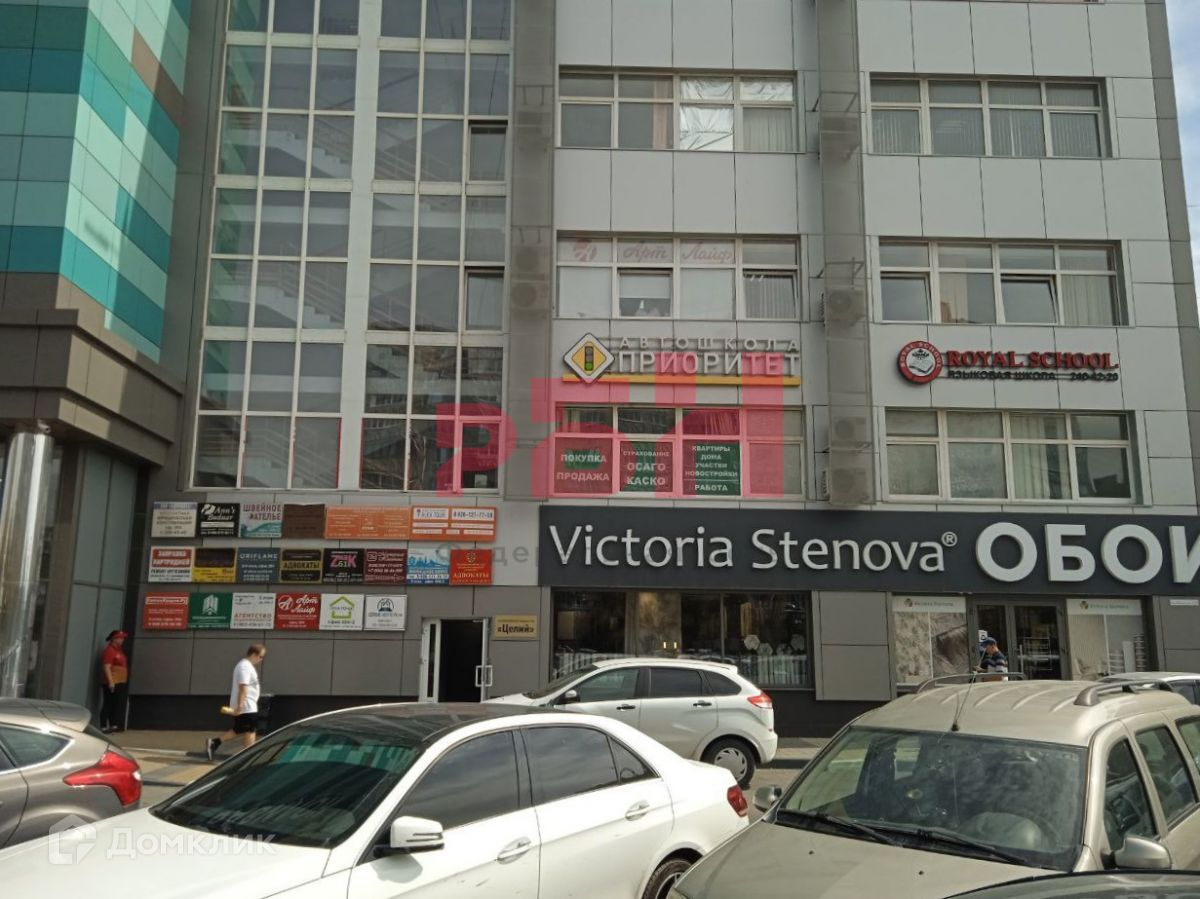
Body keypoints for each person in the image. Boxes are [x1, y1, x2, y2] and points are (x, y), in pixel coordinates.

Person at [207, 644, 266, 761]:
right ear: (253, 654)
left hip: (247, 705)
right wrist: (240, 706)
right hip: (247, 706)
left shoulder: (247, 666)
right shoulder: (244, 667)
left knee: (240, 729)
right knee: (251, 730)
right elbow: (243, 687)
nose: (261, 659)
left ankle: (214, 743)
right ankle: (248, 758)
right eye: (260, 656)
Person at [99, 631, 129, 733]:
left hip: (120, 680)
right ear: (114, 639)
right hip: (113, 681)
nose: (122, 640)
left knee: (115, 703)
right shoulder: (109, 651)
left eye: (123, 638)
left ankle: (113, 724)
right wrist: (110, 682)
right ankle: (103, 726)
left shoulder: (119, 651)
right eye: (120, 638)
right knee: (108, 703)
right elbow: (106, 667)